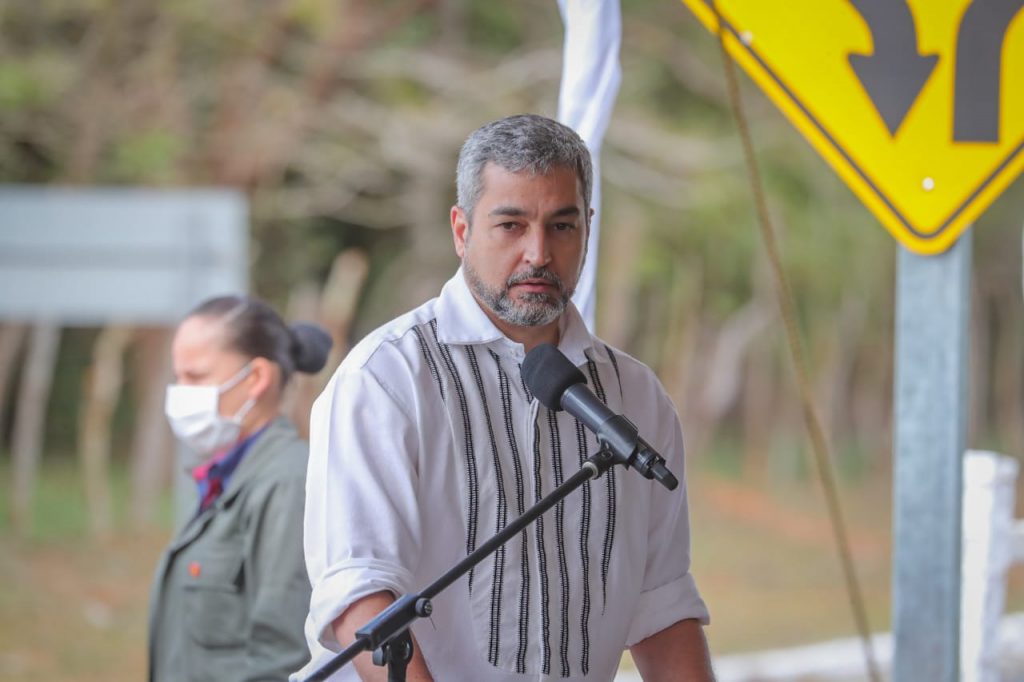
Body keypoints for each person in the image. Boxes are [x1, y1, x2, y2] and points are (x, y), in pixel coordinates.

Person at [298, 114, 713, 681]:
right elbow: (360, 596)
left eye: (561, 226)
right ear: (462, 230)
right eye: (511, 225)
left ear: (587, 229)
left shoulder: (634, 396)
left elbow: (662, 605)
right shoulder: (387, 378)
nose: (538, 253)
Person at [149, 295, 332, 682]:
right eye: (178, 376)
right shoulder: (228, 477)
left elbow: (282, 655)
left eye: (195, 377)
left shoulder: (287, 483)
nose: (179, 393)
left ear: (256, 379)